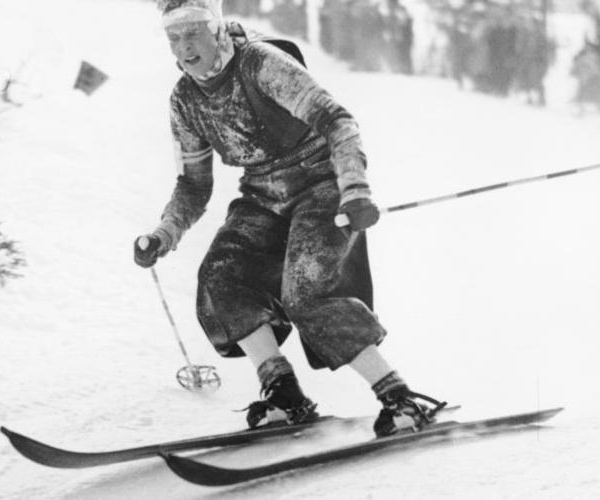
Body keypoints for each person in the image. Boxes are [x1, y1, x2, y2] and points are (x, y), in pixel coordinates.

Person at [134, 0, 445, 437]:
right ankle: (284, 395)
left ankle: (400, 398)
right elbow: (193, 185)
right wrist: (165, 232)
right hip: (262, 195)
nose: (184, 49)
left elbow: (338, 121)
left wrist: (354, 188)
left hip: (320, 185)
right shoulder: (186, 99)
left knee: (305, 292)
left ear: (216, 29)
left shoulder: (260, 63)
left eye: (192, 35)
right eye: (173, 38)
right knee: (220, 278)